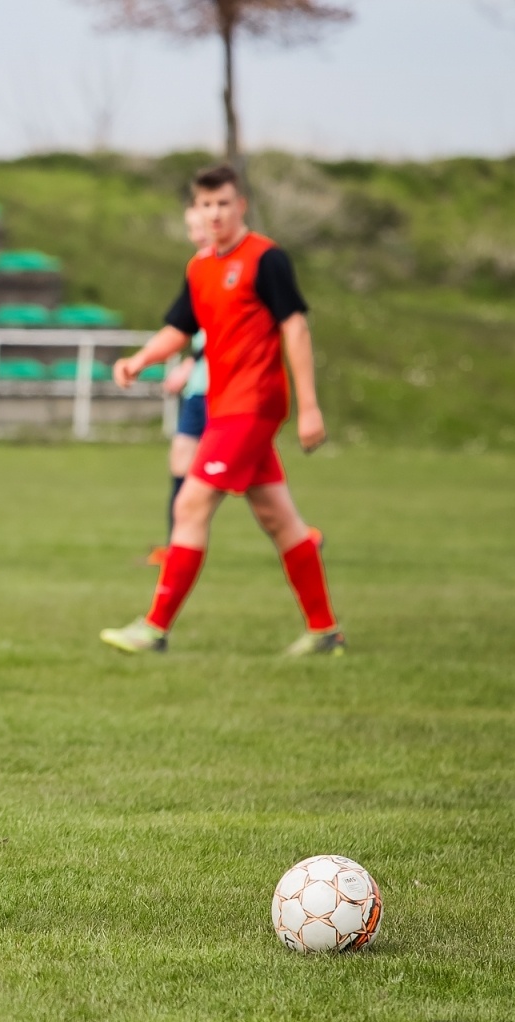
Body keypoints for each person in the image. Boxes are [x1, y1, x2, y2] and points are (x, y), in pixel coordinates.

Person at [100, 163, 343, 657]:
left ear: (241, 206)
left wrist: (310, 407)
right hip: (224, 406)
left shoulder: (266, 259)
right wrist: (141, 359)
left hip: (251, 407)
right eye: (206, 205)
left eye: (223, 204)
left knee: (189, 505)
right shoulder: (200, 266)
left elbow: (294, 328)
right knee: (281, 520)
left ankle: (154, 629)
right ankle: (324, 633)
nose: (214, 213)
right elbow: (180, 328)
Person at [146, 204, 212, 568]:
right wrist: (190, 363)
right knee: (181, 459)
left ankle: (300, 535)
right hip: (199, 388)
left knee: (245, 482)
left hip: (224, 390)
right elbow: (198, 331)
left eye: (199, 225)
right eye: (191, 227)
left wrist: (189, 363)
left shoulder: (225, 267)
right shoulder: (200, 267)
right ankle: (174, 548)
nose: (196, 233)